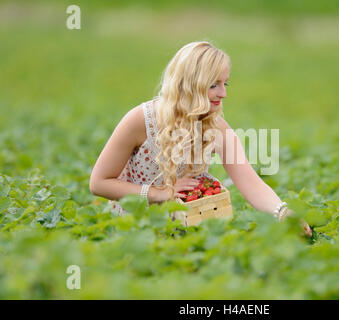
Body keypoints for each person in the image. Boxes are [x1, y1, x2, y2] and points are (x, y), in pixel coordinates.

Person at [89, 41, 312, 237]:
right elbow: (99, 183)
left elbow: (249, 181)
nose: (223, 93)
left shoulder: (216, 126)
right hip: (133, 230)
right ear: (190, 84)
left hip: (191, 229)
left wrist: (283, 211)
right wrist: (159, 194)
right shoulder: (141, 119)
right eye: (213, 85)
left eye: (225, 83)